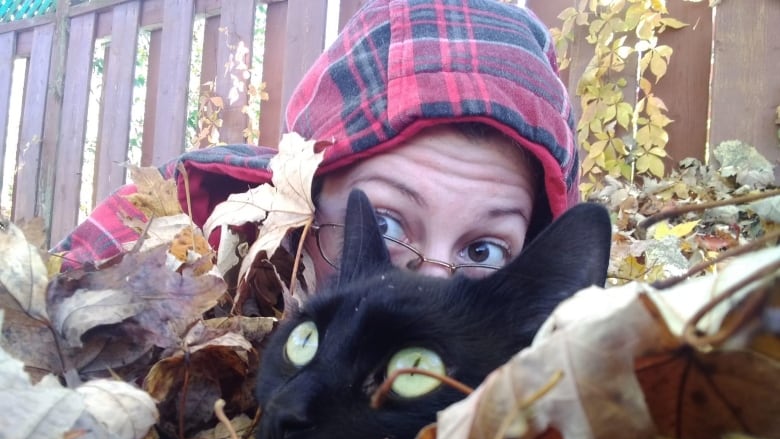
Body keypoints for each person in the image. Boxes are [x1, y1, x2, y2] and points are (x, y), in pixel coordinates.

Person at [52, 0, 579, 289]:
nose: (433, 291)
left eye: (483, 251)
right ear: (300, 200)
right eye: (383, 226)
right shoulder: (174, 231)